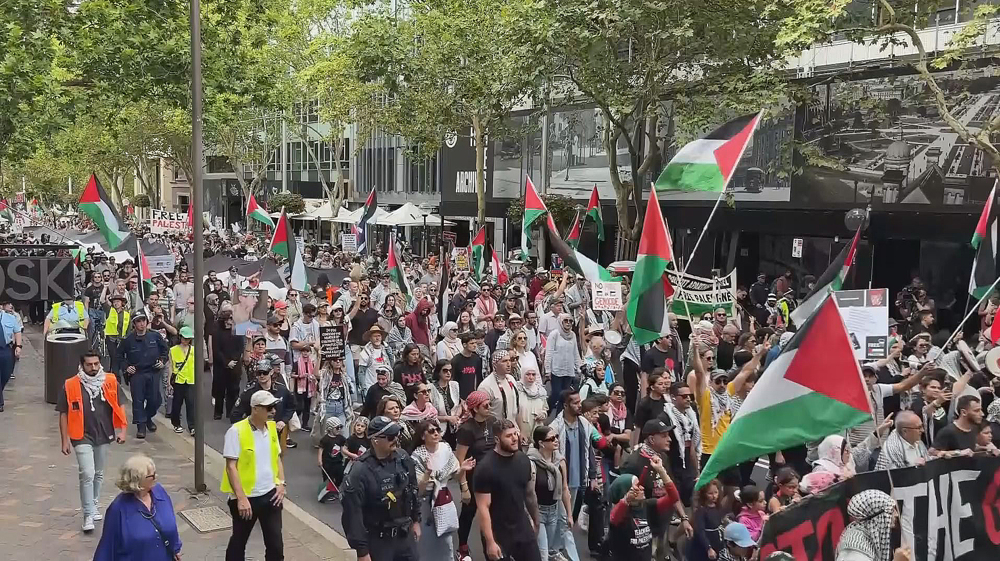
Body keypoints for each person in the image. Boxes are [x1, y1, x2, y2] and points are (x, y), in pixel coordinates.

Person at [57, 351, 128, 532]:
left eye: (96, 364)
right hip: (80, 435)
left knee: (98, 472)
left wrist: (123, 430)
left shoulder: (110, 381)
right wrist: (64, 440)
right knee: (87, 473)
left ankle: (94, 503)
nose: (94, 367)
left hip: (104, 433)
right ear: (82, 365)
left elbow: (120, 406)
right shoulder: (70, 384)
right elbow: (63, 414)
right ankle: (88, 514)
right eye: (89, 364)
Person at [341, 416, 421, 561]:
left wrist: (416, 520)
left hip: (405, 536)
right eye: (390, 437)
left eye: (397, 435)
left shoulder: (403, 458)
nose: (396, 439)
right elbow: (352, 514)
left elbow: (413, 490)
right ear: (375, 440)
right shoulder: (360, 471)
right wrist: (362, 552)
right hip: (379, 541)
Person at [222, 390, 287, 561]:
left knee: (276, 546)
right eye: (268, 408)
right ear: (255, 409)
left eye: (274, 407)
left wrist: (281, 483)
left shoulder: (272, 428)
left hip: (270, 496)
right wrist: (241, 498)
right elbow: (231, 467)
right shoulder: (236, 431)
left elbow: (277, 458)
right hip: (247, 498)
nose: (273, 411)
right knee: (238, 543)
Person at [475, 418, 541, 561]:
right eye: (508, 436)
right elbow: (483, 508)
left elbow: (530, 494)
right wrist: (490, 542)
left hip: (521, 527)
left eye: (515, 434)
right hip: (498, 532)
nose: (514, 439)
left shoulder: (523, 460)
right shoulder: (485, 468)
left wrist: (536, 520)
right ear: (497, 439)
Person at [93, 455, 183, 560]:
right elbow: (107, 546)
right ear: (137, 480)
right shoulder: (118, 509)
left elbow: (171, 523)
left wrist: (175, 548)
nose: (155, 477)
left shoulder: (160, 493)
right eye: (151, 476)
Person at [412, 419, 476, 561]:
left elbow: (454, 474)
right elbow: (419, 489)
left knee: (446, 540)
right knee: (426, 543)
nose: (436, 433)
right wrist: (428, 474)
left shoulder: (445, 448)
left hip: (444, 500)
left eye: (437, 430)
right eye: (431, 431)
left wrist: (463, 469)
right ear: (423, 436)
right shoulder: (418, 456)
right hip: (426, 503)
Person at [606, 456, 680, 561]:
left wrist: (661, 470)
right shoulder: (621, 513)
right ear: (626, 491)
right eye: (637, 486)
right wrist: (627, 499)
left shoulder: (647, 505)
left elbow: (674, 498)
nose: (642, 488)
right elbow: (614, 518)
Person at [529, 424, 580, 561]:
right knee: (543, 553)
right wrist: (532, 517)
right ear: (541, 443)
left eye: (556, 437)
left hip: (554, 510)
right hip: (538, 511)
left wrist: (569, 515)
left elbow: (564, 489)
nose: (556, 440)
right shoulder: (532, 462)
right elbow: (530, 493)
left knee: (550, 547)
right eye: (551, 438)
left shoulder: (560, 461)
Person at [455, 391, 495, 560]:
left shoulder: (492, 422)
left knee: (490, 514)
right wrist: (463, 487)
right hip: (473, 478)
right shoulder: (466, 429)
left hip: (492, 477)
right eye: (485, 405)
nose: (489, 408)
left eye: (489, 404)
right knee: (469, 512)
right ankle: (462, 547)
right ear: (475, 408)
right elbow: (460, 460)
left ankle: (490, 548)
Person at [118, 312, 169, 439]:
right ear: (134, 324)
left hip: (153, 372)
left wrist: (162, 361)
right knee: (138, 400)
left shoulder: (155, 336)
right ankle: (141, 426)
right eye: (138, 321)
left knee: (156, 400)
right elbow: (119, 356)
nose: (141, 324)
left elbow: (165, 350)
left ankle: (147, 418)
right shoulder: (128, 340)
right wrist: (126, 367)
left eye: (143, 320)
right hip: (137, 373)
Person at [548, 389, 597, 516]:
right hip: (562, 482)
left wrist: (592, 476)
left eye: (580, 402)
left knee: (572, 518)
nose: (579, 405)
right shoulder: (555, 428)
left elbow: (589, 450)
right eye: (575, 403)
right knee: (562, 520)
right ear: (565, 405)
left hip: (580, 480)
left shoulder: (584, 424)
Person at [836, 490, 911, 561]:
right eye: (891, 510)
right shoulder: (855, 549)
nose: (896, 514)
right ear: (877, 517)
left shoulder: (868, 539)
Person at [544, 313, 582, 412]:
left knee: (565, 396)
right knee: (556, 394)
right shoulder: (555, 334)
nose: (568, 323)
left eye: (570, 321)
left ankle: (559, 416)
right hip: (556, 370)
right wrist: (547, 369)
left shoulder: (573, 335)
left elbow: (575, 352)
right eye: (565, 321)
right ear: (560, 322)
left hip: (569, 370)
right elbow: (549, 352)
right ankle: (547, 410)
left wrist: (579, 367)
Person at [211, 314, 245, 420]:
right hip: (220, 366)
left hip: (234, 366)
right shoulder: (217, 332)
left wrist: (234, 361)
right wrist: (226, 362)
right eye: (230, 319)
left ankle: (230, 411)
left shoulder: (237, 333)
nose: (232, 321)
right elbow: (216, 350)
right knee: (219, 390)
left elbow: (240, 348)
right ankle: (218, 412)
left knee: (233, 389)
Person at [477, 350, 521, 424]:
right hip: (495, 429)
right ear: (495, 364)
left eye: (509, 360)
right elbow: (481, 414)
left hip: (512, 427)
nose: (508, 364)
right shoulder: (485, 386)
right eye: (504, 361)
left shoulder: (511, 379)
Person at [169, 326, 197, 435]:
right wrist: (169, 383)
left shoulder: (194, 350)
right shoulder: (173, 350)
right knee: (177, 404)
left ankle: (192, 426)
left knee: (191, 404)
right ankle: (176, 423)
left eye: (188, 338)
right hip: (178, 380)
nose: (186, 341)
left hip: (190, 380)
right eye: (184, 338)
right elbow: (171, 366)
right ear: (180, 337)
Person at [516, 367, 548, 447]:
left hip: (537, 427)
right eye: (528, 374)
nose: (531, 377)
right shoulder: (517, 390)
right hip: (522, 428)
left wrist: (543, 415)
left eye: (533, 375)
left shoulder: (541, 391)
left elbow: (545, 409)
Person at [359, 324, 393, 396]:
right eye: (375, 336)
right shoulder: (365, 352)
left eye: (379, 336)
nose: (377, 338)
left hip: (386, 386)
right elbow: (361, 372)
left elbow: (391, 366)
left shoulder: (386, 350)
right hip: (371, 386)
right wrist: (363, 388)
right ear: (370, 338)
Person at [0, 301, 22, 412]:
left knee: (6, 374)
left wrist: (18, 346)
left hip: (6, 348)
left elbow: (17, 331)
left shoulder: (11, 318)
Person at [104, 294, 131, 376]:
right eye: (114, 302)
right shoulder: (109, 310)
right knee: (114, 356)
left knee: (118, 357)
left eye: (118, 301)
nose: (116, 303)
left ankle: (112, 372)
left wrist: (126, 338)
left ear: (122, 303)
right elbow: (102, 302)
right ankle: (116, 375)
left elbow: (129, 328)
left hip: (121, 339)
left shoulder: (126, 314)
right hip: (111, 338)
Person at [452, 332, 484, 399]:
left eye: (475, 343)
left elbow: (478, 377)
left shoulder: (477, 359)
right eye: (472, 343)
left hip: (472, 395)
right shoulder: (456, 360)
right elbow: (453, 380)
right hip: (460, 395)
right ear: (464, 345)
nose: (475, 345)